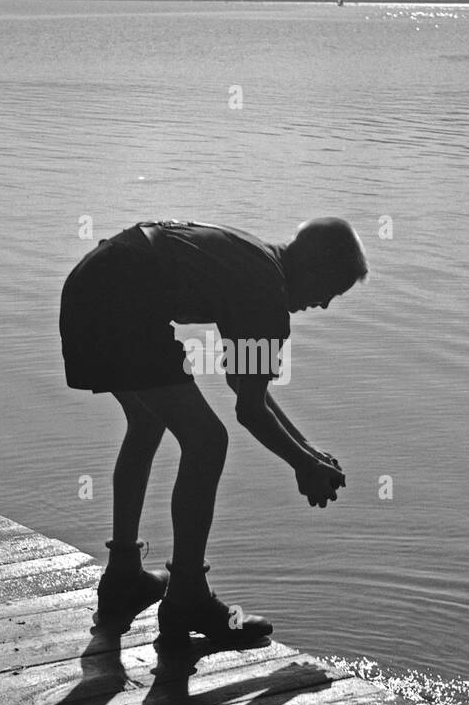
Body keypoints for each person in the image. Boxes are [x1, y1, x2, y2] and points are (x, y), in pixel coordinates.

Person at [59, 217, 368, 643]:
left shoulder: (256, 262)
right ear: (316, 268)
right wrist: (303, 465)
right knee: (207, 441)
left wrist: (307, 451)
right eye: (331, 291)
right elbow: (251, 411)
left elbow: (243, 386)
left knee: (149, 420)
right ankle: (187, 593)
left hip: (90, 285)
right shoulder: (266, 295)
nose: (325, 304)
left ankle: (123, 575)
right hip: (120, 298)